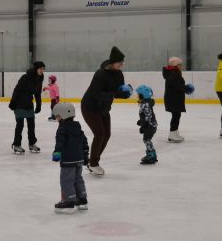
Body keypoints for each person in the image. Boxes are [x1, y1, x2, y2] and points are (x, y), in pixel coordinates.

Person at [81, 46, 132, 176]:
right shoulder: (100, 74)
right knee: (99, 134)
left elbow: (117, 92)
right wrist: (116, 93)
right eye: (120, 62)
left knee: (106, 134)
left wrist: (125, 93)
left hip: (103, 108)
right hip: (90, 107)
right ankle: (93, 163)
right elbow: (97, 94)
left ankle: (93, 162)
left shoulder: (119, 74)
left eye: (122, 62)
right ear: (113, 62)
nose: (122, 64)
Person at [51, 103, 89, 214]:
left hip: (68, 160)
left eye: (57, 116)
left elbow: (60, 143)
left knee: (66, 180)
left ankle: (68, 201)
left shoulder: (62, 129)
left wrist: (57, 153)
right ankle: (82, 200)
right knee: (78, 179)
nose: (57, 118)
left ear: (62, 115)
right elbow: (84, 143)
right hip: (79, 160)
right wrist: (85, 156)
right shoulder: (78, 128)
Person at [8, 61, 45, 154]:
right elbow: (17, 90)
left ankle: (32, 143)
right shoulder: (25, 77)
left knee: (31, 125)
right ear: (36, 68)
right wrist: (12, 102)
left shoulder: (39, 78)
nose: (42, 71)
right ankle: (17, 145)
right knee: (20, 125)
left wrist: (39, 105)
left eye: (43, 69)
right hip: (19, 104)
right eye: (41, 69)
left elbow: (37, 93)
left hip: (29, 104)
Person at [163, 57, 192, 143]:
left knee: (176, 115)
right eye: (180, 64)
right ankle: (172, 134)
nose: (181, 66)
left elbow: (177, 86)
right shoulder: (173, 74)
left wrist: (185, 88)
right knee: (176, 116)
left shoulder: (173, 73)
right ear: (175, 65)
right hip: (173, 99)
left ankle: (174, 132)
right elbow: (177, 86)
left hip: (174, 98)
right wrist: (187, 88)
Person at [136, 85, 158, 165]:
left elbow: (148, 116)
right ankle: (151, 154)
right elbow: (146, 115)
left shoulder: (145, 104)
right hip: (151, 125)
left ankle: (152, 155)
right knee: (147, 140)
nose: (137, 96)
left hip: (150, 126)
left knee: (147, 140)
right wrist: (141, 121)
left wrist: (143, 125)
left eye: (139, 94)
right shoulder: (145, 103)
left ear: (143, 95)